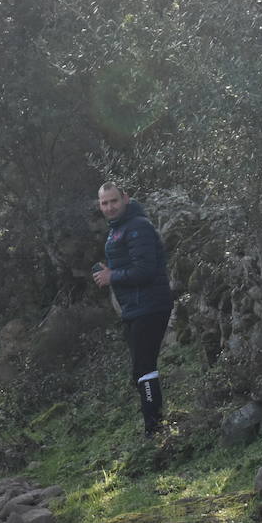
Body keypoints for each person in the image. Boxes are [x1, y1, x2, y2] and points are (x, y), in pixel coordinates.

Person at [92, 182, 173, 437]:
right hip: (135, 308)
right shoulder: (119, 228)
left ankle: (156, 430)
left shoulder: (137, 226)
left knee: (145, 367)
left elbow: (145, 270)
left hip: (149, 305)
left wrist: (112, 275)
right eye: (104, 203)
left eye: (113, 201)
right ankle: (154, 427)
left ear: (125, 198)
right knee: (140, 370)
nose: (110, 207)